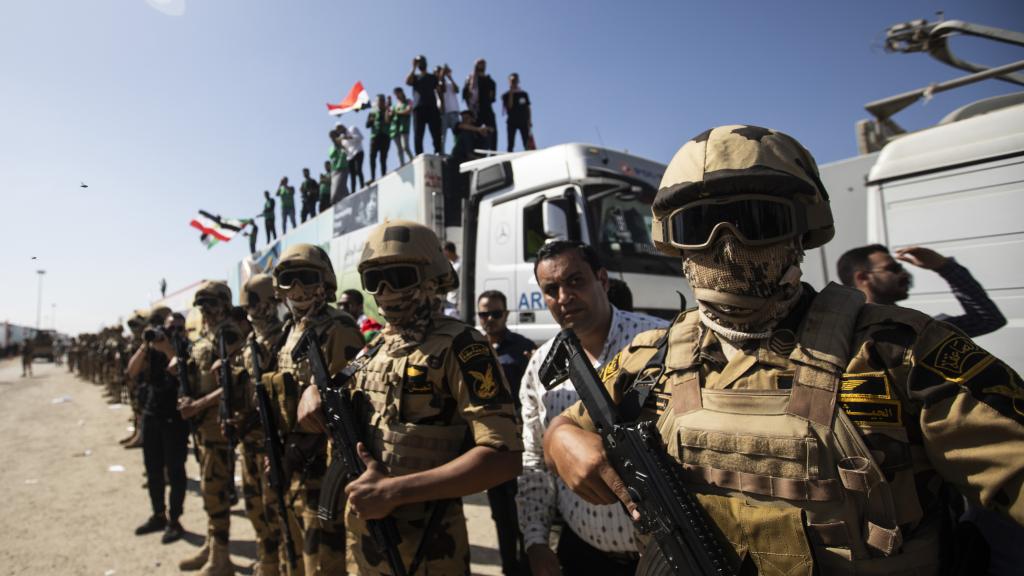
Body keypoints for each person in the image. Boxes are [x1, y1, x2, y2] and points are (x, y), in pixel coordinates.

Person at [544, 125, 1024, 575]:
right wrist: (561, 440)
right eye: (699, 225)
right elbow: (566, 426)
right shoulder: (649, 358)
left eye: (756, 221)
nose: (727, 245)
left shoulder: (899, 353)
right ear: (674, 242)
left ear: (802, 228)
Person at [294, 220, 523, 575]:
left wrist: (396, 491)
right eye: (374, 281)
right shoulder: (376, 347)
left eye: (399, 277)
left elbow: (504, 458)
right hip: (364, 546)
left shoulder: (462, 346)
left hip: (427, 551)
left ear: (431, 277)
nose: (385, 291)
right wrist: (312, 392)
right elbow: (336, 390)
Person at [517, 240, 668, 576]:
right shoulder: (539, 369)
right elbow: (534, 461)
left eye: (575, 281)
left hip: (666, 557)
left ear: (602, 279)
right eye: (551, 289)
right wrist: (536, 541)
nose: (564, 297)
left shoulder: (657, 341)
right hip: (583, 555)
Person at [265, 244, 364, 574]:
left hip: (324, 465)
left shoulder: (339, 327)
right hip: (292, 458)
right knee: (292, 549)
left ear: (325, 282)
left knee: (321, 559)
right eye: (288, 279)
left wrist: (320, 391)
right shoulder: (288, 332)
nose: (297, 288)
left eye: (306, 277)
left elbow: (355, 394)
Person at [175, 281, 244, 575]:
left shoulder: (229, 334)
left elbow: (235, 381)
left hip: (218, 423)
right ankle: (213, 544)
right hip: (203, 422)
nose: (205, 310)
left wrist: (199, 404)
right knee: (208, 486)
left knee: (215, 487)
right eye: (201, 304)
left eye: (211, 303)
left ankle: (221, 556)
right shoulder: (205, 335)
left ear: (225, 304)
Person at [478, 289, 536, 576]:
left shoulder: (523, 348)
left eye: (495, 313)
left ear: (506, 314)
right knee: (500, 514)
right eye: (484, 314)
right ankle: (508, 568)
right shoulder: (473, 350)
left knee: (522, 512)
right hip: (490, 446)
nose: (489, 319)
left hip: (520, 445)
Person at [838, 244, 1007, 338]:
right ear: (863, 278)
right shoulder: (844, 336)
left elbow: (988, 320)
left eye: (900, 267)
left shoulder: (922, 329)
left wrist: (945, 267)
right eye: (893, 269)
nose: (903, 274)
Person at [236, 274, 287, 575]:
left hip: (273, 441)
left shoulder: (285, 339)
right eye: (247, 306)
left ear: (272, 302)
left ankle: (279, 565)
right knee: (254, 506)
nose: (251, 311)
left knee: (275, 510)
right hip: (249, 438)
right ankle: (267, 562)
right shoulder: (251, 342)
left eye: (255, 304)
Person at [127, 309, 188, 545]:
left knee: (175, 471)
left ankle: (175, 520)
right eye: (170, 327)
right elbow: (131, 371)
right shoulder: (152, 349)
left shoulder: (186, 348)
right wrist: (146, 345)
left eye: (179, 328)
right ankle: (158, 514)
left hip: (175, 419)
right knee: (153, 470)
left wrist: (168, 349)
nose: (174, 332)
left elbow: (182, 371)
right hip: (152, 415)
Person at [405, 55, 442, 155]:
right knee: (418, 134)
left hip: (432, 107)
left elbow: (439, 90)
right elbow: (407, 81)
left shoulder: (432, 77)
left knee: (436, 133)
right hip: (418, 108)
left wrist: (440, 104)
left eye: (421, 61)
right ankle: (419, 155)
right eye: (418, 62)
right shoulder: (415, 77)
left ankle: (438, 152)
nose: (420, 63)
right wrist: (413, 68)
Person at [463, 58, 497, 151]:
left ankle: (494, 152)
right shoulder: (470, 79)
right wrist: (470, 109)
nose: (481, 65)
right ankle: (475, 152)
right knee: (476, 132)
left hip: (487, 109)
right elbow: (466, 95)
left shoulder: (490, 81)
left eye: (483, 63)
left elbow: (492, 98)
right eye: (479, 63)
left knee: (492, 131)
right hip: (475, 110)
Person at [502, 73, 532, 152]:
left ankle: (529, 154)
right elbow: (509, 107)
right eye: (512, 80)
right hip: (512, 121)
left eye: (515, 80)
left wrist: (529, 121)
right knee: (510, 143)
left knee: (526, 142)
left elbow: (528, 108)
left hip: (523, 121)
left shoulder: (524, 94)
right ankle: (509, 155)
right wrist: (511, 92)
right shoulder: (505, 95)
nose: (514, 82)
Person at [367, 94, 391, 181]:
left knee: (383, 158)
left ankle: (383, 175)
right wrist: (371, 121)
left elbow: (389, 121)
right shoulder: (372, 112)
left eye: (382, 100)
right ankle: (372, 177)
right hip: (375, 137)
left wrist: (387, 108)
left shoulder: (387, 110)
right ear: (376, 102)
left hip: (385, 136)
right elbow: (367, 125)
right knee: (372, 157)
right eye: (379, 100)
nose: (380, 102)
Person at [438, 64, 461, 153]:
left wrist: (450, 77)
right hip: (443, 113)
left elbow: (457, 90)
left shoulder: (450, 83)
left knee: (457, 134)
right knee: (442, 136)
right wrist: (441, 75)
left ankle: (458, 152)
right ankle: (442, 153)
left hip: (453, 112)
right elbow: (440, 89)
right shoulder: (437, 84)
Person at [327, 127, 349, 206]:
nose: (333, 139)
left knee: (336, 194)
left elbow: (347, 152)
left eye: (334, 136)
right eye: (331, 137)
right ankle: (349, 198)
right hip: (334, 171)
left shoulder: (344, 144)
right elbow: (331, 155)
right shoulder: (331, 148)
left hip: (342, 168)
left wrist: (341, 143)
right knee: (342, 188)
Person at [390, 88, 412, 166]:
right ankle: (402, 165)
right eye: (395, 94)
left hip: (404, 127)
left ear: (402, 93)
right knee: (399, 149)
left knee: (405, 147)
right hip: (395, 129)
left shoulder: (409, 101)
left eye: (398, 93)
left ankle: (412, 160)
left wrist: (397, 113)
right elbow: (390, 116)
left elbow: (409, 110)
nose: (397, 96)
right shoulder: (395, 106)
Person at [341, 124, 365, 192]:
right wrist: (342, 148)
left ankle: (362, 187)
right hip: (350, 157)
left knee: (359, 170)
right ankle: (353, 191)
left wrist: (349, 137)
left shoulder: (352, 128)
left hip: (358, 152)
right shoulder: (342, 140)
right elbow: (345, 151)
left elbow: (360, 137)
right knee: (352, 175)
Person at [443, 241, 461, 317]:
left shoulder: (460, 264)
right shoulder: (450, 263)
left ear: (449, 251)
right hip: (450, 298)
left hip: (456, 300)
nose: (444, 254)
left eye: (445, 252)